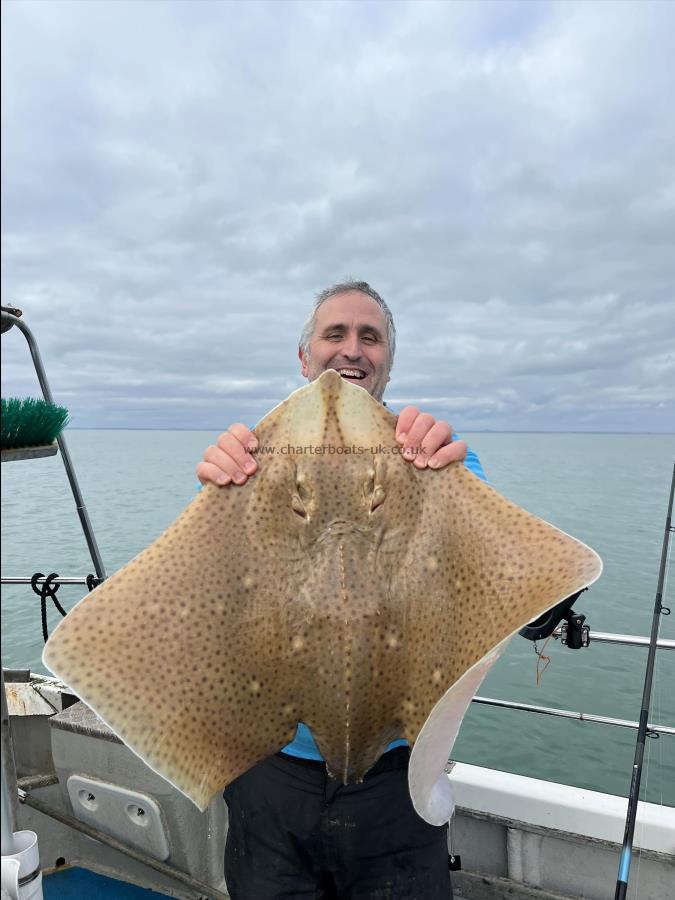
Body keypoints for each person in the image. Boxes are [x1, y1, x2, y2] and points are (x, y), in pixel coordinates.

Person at [197, 281, 487, 900]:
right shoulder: (247, 460)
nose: (351, 350)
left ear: (387, 360)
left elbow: (528, 594)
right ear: (305, 358)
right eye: (335, 334)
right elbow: (201, 601)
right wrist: (217, 493)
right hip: (268, 769)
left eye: (369, 336)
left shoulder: (435, 460)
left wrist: (453, 480)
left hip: (398, 777)